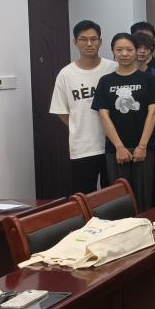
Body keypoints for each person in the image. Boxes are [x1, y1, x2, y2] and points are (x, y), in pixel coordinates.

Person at [92, 32, 155, 209]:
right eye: (119, 49)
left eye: (129, 49)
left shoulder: (148, 79)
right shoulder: (105, 81)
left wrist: (142, 146)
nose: (124, 53)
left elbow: (153, 113)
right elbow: (103, 115)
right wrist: (119, 147)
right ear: (113, 52)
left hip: (145, 148)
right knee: (119, 200)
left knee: (145, 199)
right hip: (116, 150)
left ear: (136, 51)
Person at [49, 20, 117, 194]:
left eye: (94, 39)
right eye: (83, 39)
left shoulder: (113, 68)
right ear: (75, 42)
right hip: (83, 147)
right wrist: (78, 126)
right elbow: (61, 111)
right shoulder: (66, 74)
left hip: (114, 145)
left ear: (100, 41)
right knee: (84, 196)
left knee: (113, 195)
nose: (89, 43)